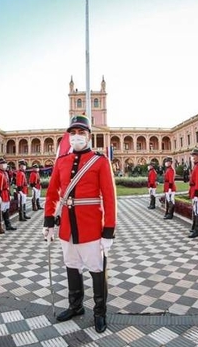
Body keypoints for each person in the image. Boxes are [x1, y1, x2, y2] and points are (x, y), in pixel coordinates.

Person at [43, 115, 116, 334]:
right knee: (72, 266)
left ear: (89, 136)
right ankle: (76, 306)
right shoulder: (61, 161)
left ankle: (99, 312)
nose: (76, 137)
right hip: (67, 226)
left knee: (96, 270)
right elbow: (52, 193)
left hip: (91, 226)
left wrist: (108, 231)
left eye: (81, 133)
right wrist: (49, 222)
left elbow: (109, 197)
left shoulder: (100, 161)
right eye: (73, 133)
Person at [0, 158, 16, 231]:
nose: (4, 165)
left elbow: (7, 184)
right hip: (1, 194)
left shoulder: (5, 173)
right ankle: (0, 227)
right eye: (2, 164)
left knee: (6, 211)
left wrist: (9, 194)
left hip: (6, 194)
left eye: (5, 163)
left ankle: (8, 225)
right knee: (0, 211)